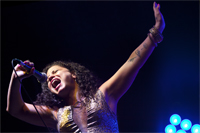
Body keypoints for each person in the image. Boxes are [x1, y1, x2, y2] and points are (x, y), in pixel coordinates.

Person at [6, 2, 165, 132]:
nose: (50, 77)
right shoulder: (55, 114)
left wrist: (155, 33)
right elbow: (15, 110)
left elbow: (132, 62)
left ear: (73, 74)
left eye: (55, 71)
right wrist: (16, 78)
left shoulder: (103, 95)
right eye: (47, 78)